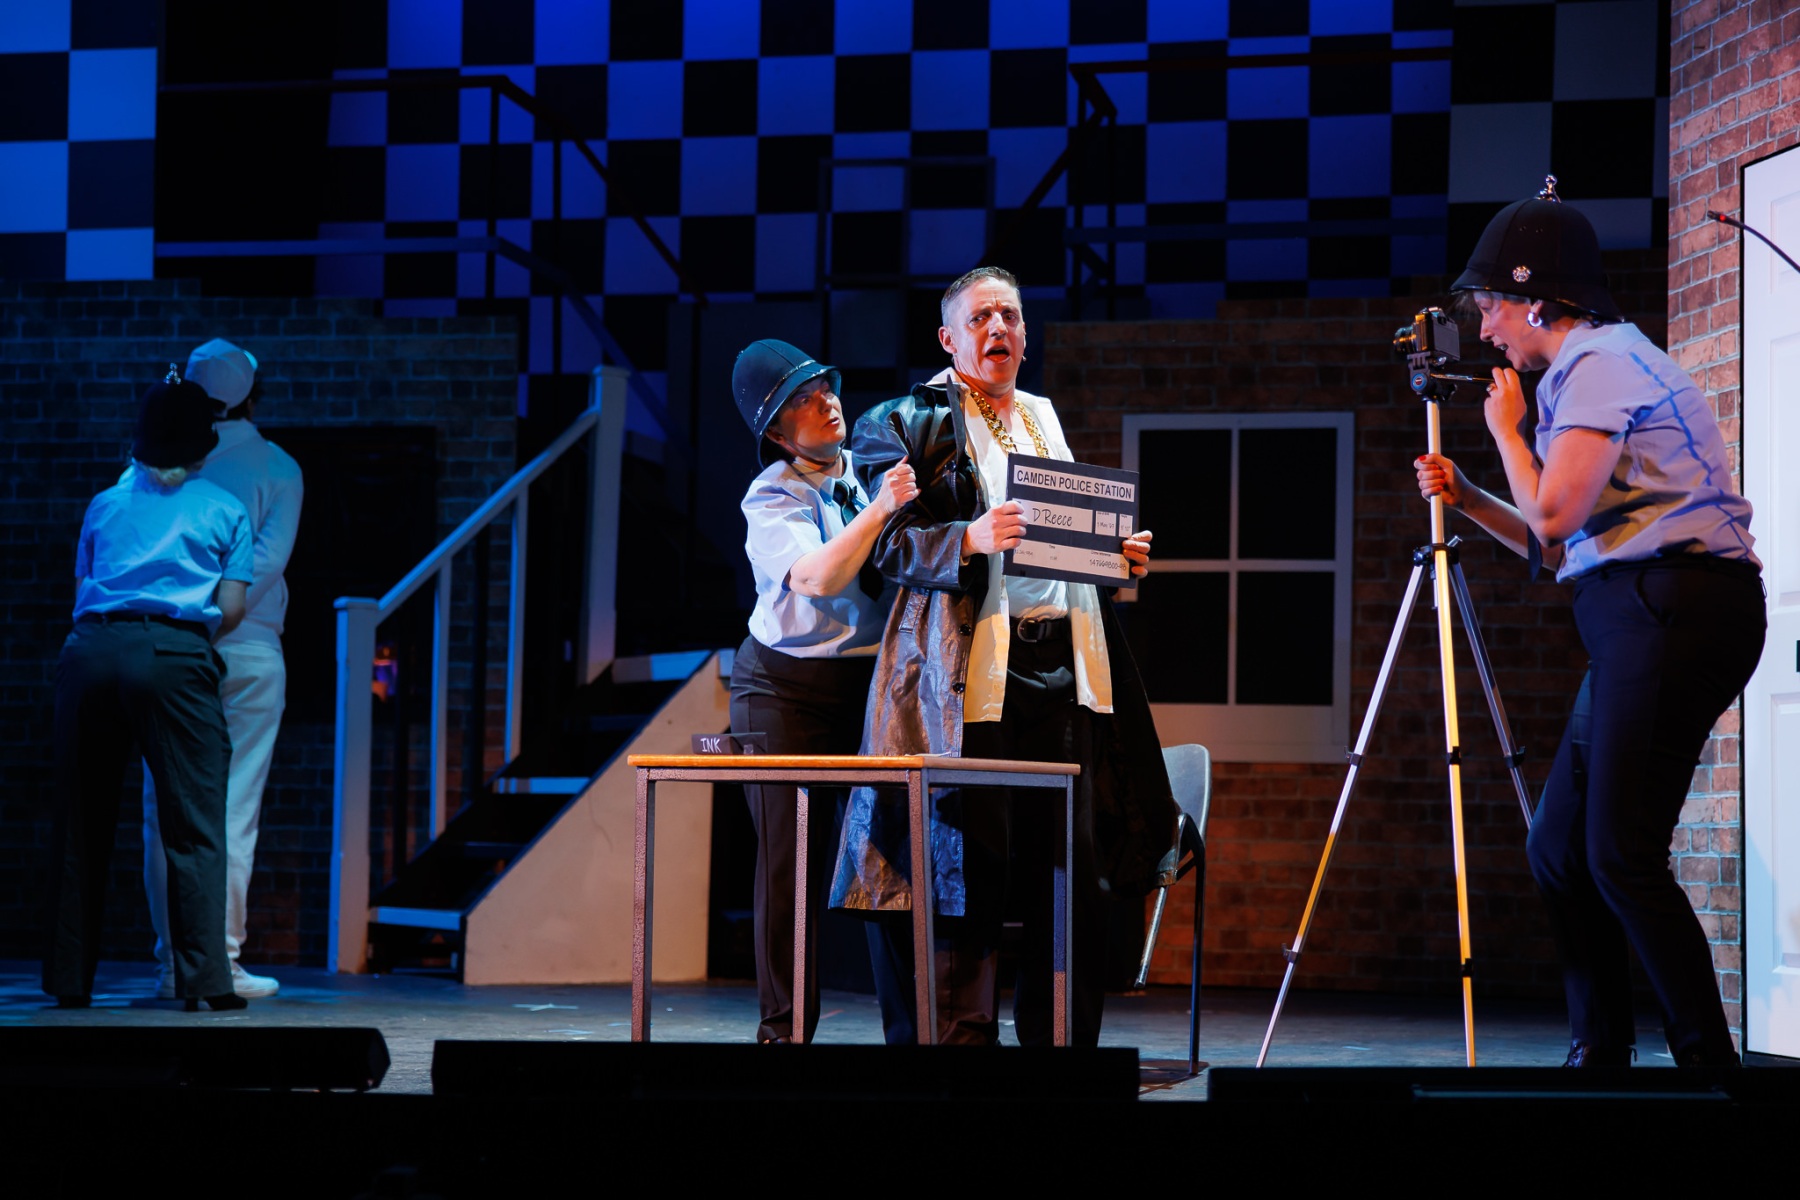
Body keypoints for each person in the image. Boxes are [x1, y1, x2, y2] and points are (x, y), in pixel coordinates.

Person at [1415, 178, 1762, 1068]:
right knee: (1560, 848)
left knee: (1619, 851)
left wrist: (1505, 431)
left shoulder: (1598, 364)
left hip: (1675, 607)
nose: (1485, 329)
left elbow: (1555, 516)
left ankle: (1710, 1070)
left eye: (1491, 306)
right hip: (1636, 612)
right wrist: (1469, 497)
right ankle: (1598, 1054)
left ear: (1535, 299)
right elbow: (1555, 533)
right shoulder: (1595, 366)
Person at [828, 266, 1177, 1046]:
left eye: (1011, 317)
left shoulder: (1043, 416)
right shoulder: (906, 422)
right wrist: (969, 538)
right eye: (981, 317)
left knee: (1069, 871)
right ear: (949, 339)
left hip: (1064, 670)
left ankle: (1060, 1048)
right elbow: (886, 546)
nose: (999, 329)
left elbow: (1054, 543)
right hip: (970, 677)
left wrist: (1113, 558)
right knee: (969, 868)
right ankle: (963, 1045)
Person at [727, 339, 919, 1043]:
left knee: (889, 859)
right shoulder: (772, 493)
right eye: (803, 401)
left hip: (867, 685)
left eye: (826, 388)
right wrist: (881, 509)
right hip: (782, 689)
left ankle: (913, 1036)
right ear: (780, 435)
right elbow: (816, 577)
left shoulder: (872, 470)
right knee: (793, 863)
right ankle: (784, 1034)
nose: (827, 402)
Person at [45, 370, 253, 1011]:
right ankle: (206, 982)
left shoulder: (104, 505)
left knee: (79, 823)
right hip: (173, 655)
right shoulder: (224, 509)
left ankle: (70, 979)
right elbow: (232, 607)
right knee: (193, 824)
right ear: (204, 443)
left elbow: (82, 589)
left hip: (90, 652)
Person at [138, 338, 302, 1001]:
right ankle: (218, 963)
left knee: (164, 811)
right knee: (232, 808)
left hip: (169, 644)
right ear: (251, 398)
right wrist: (215, 616)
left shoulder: (152, 467)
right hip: (247, 646)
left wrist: (184, 621)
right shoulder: (278, 466)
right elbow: (264, 566)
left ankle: (173, 965)